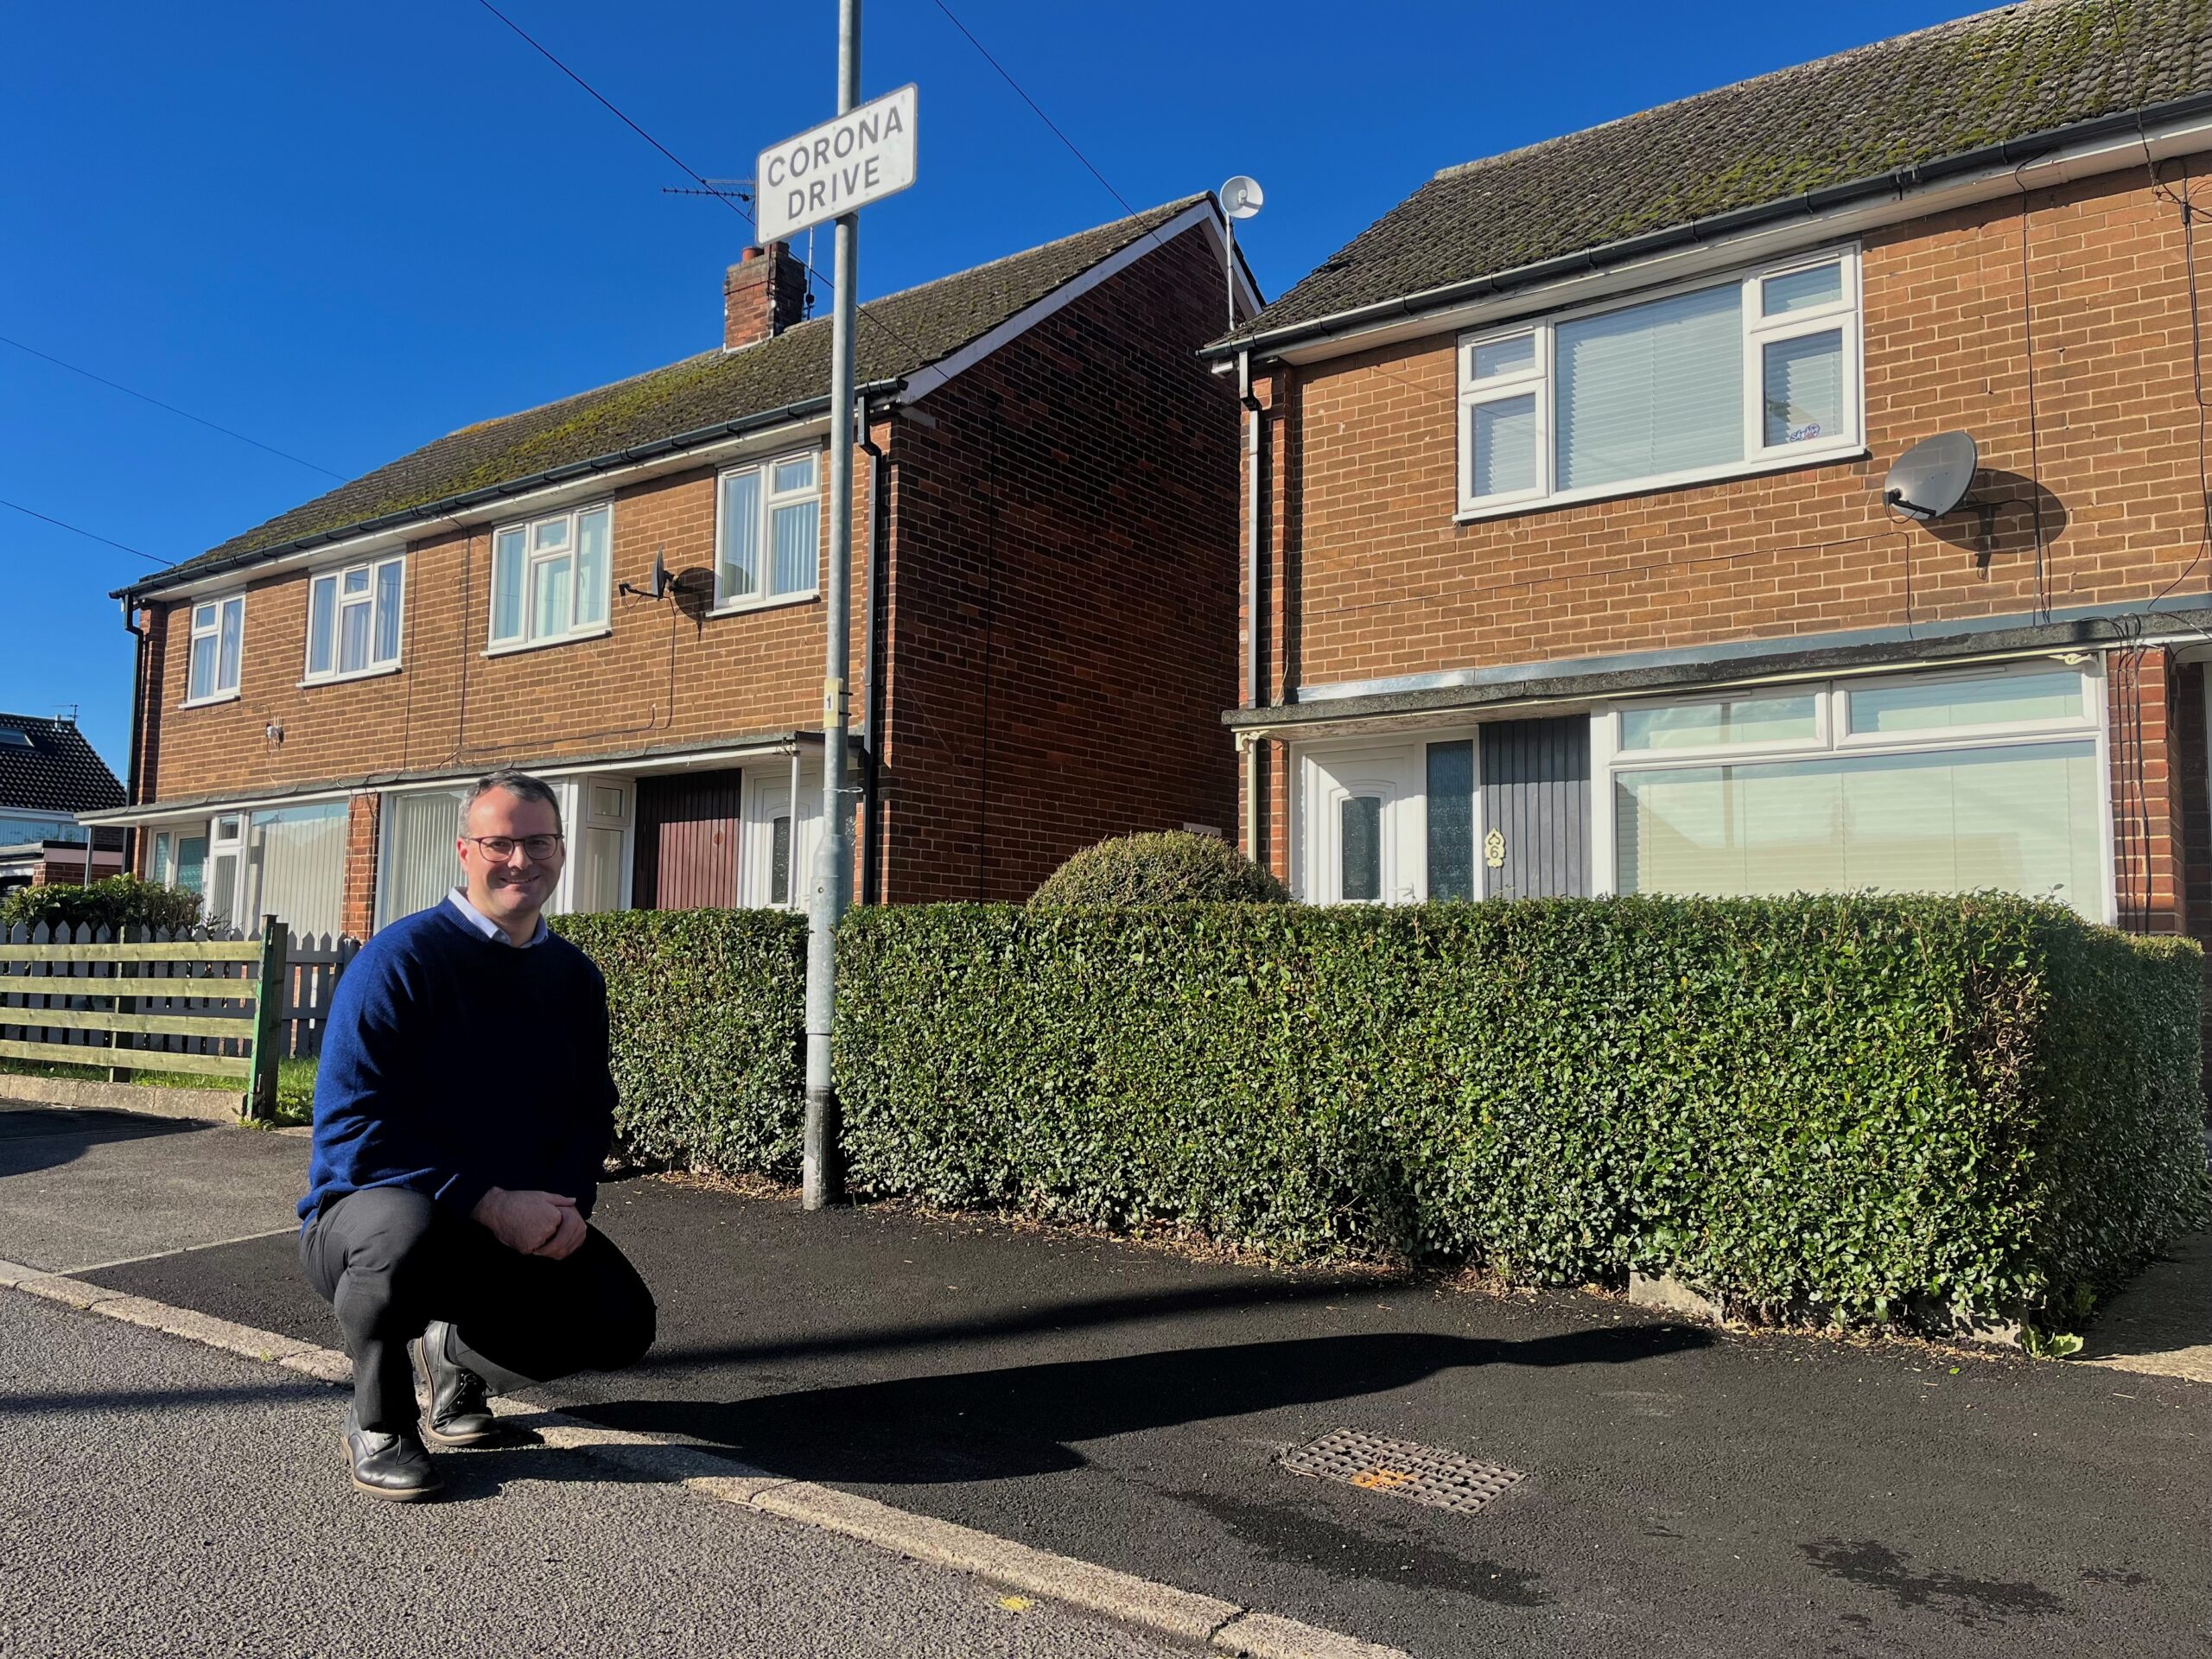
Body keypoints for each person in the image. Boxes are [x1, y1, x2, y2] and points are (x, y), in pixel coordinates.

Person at [298, 768, 656, 1500]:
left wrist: (567, 1204)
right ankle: (379, 1420)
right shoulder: (399, 961)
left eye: (539, 842)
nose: (521, 860)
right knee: (405, 1231)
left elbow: (590, 1110)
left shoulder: (574, 978)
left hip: (502, 1221)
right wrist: (489, 1202)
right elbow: (352, 1130)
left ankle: (455, 1353)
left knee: (619, 1323)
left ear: (561, 851)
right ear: (465, 851)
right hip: (371, 1219)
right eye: (500, 844)